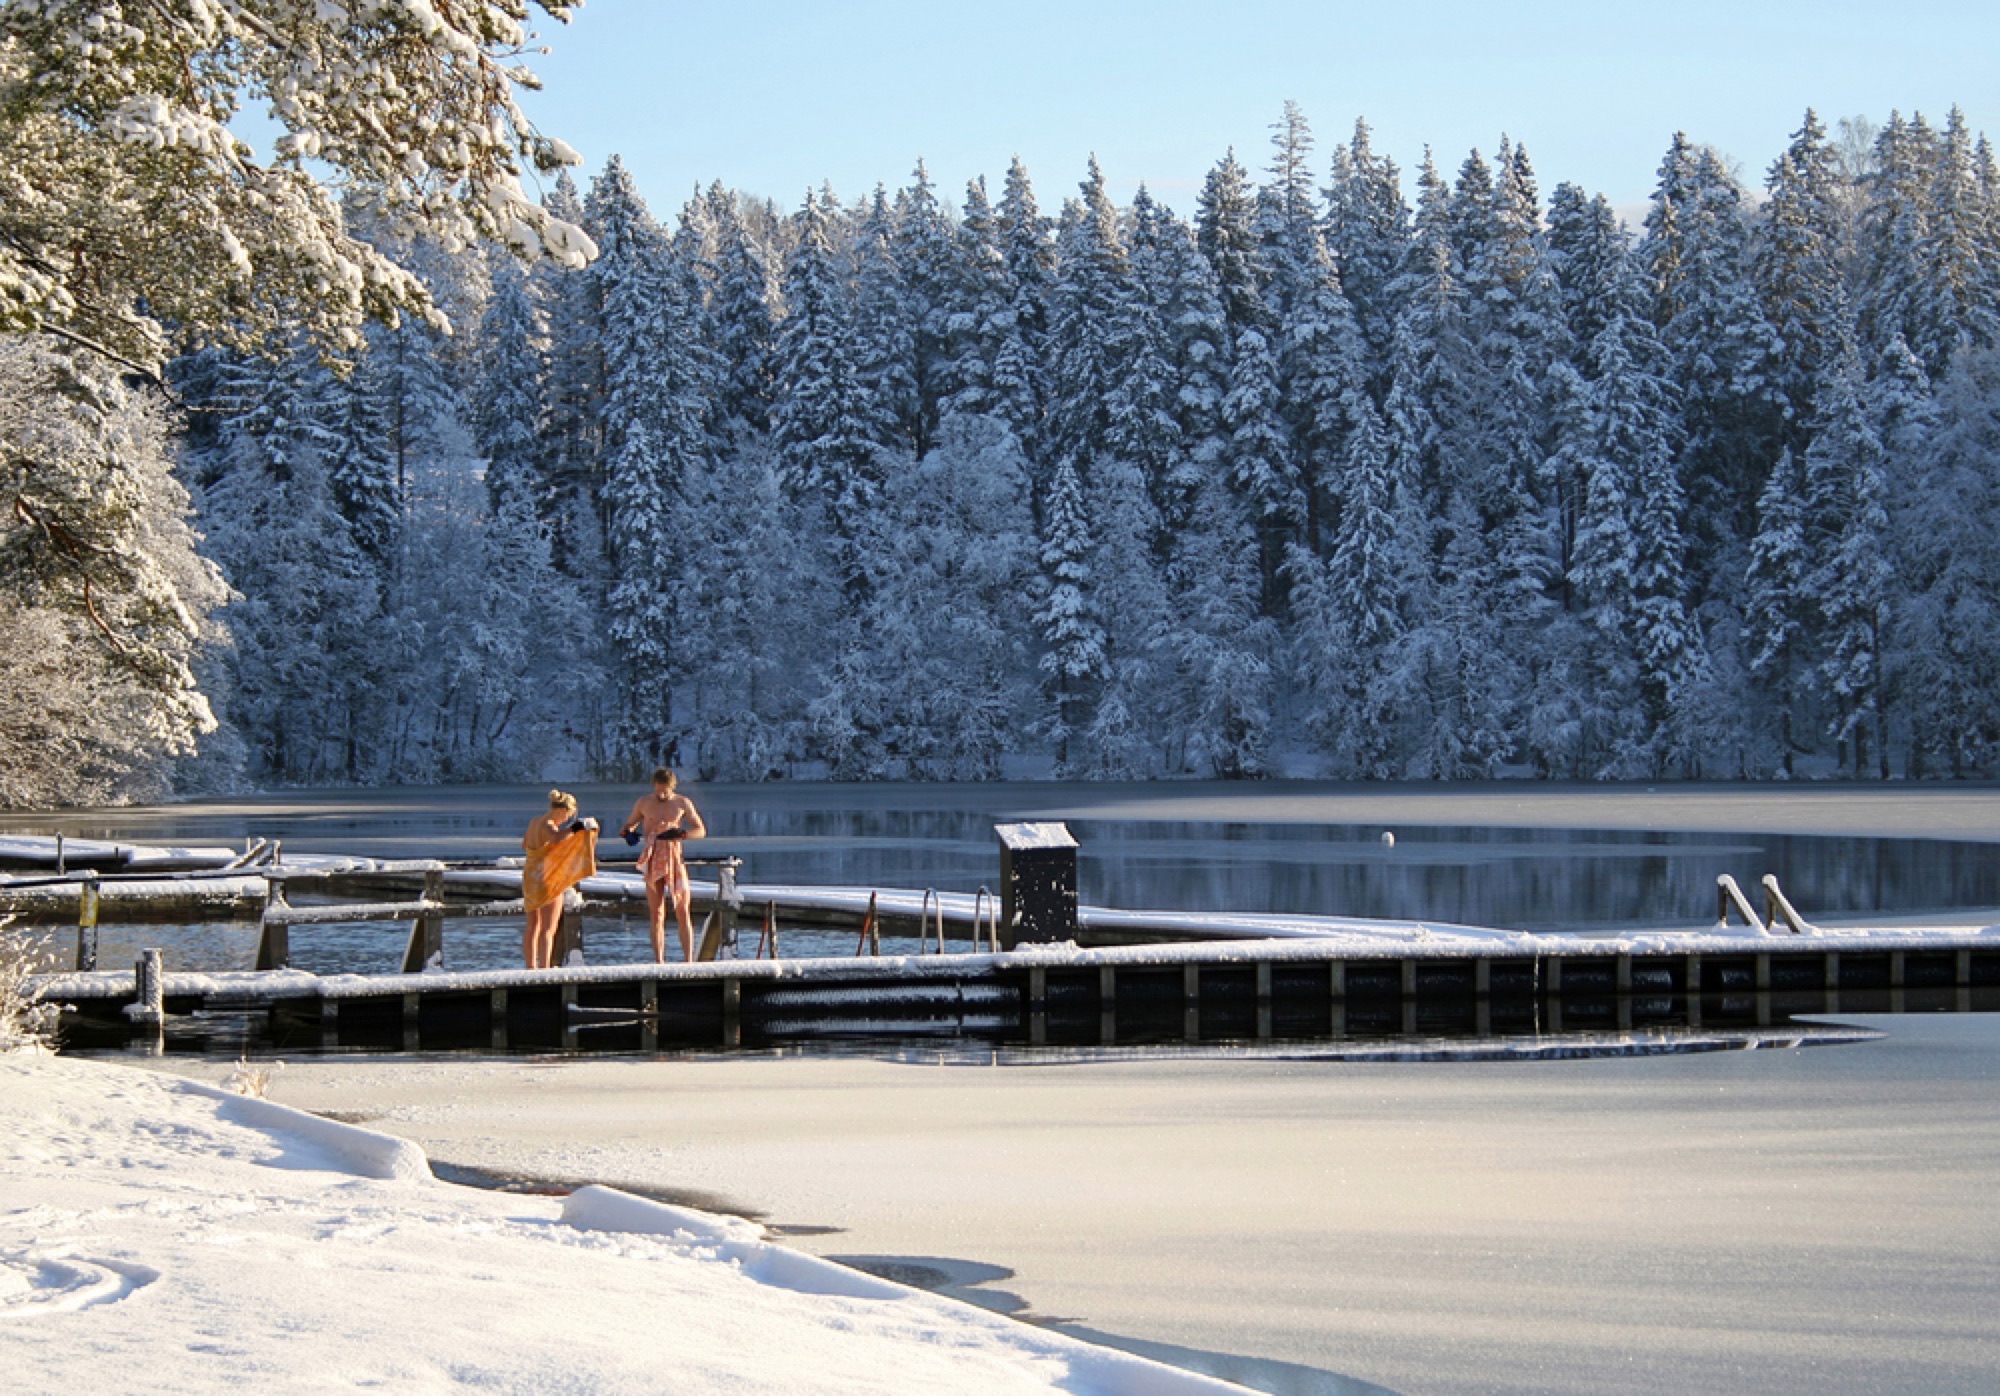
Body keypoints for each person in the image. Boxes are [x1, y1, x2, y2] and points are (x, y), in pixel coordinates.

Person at [621, 767, 706, 962]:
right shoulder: (644, 803)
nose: (661, 794)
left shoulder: (682, 803)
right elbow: (628, 826)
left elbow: (700, 830)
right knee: (657, 911)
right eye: (658, 789)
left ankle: (689, 960)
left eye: (665, 791)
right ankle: (659, 960)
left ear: (672, 787)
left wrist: (682, 834)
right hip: (653, 857)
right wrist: (628, 834)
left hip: (673, 856)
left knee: (682, 908)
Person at [521, 790, 598, 969]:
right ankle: (545, 968)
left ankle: (530, 966)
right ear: (563, 810)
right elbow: (555, 837)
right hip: (547, 878)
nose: (566, 820)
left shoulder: (535, 822)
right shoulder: (549, 824)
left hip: (530, 876)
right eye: (569, 816)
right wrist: (576, 828)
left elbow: (525, 844)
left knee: (532, 925)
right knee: (548, 928)